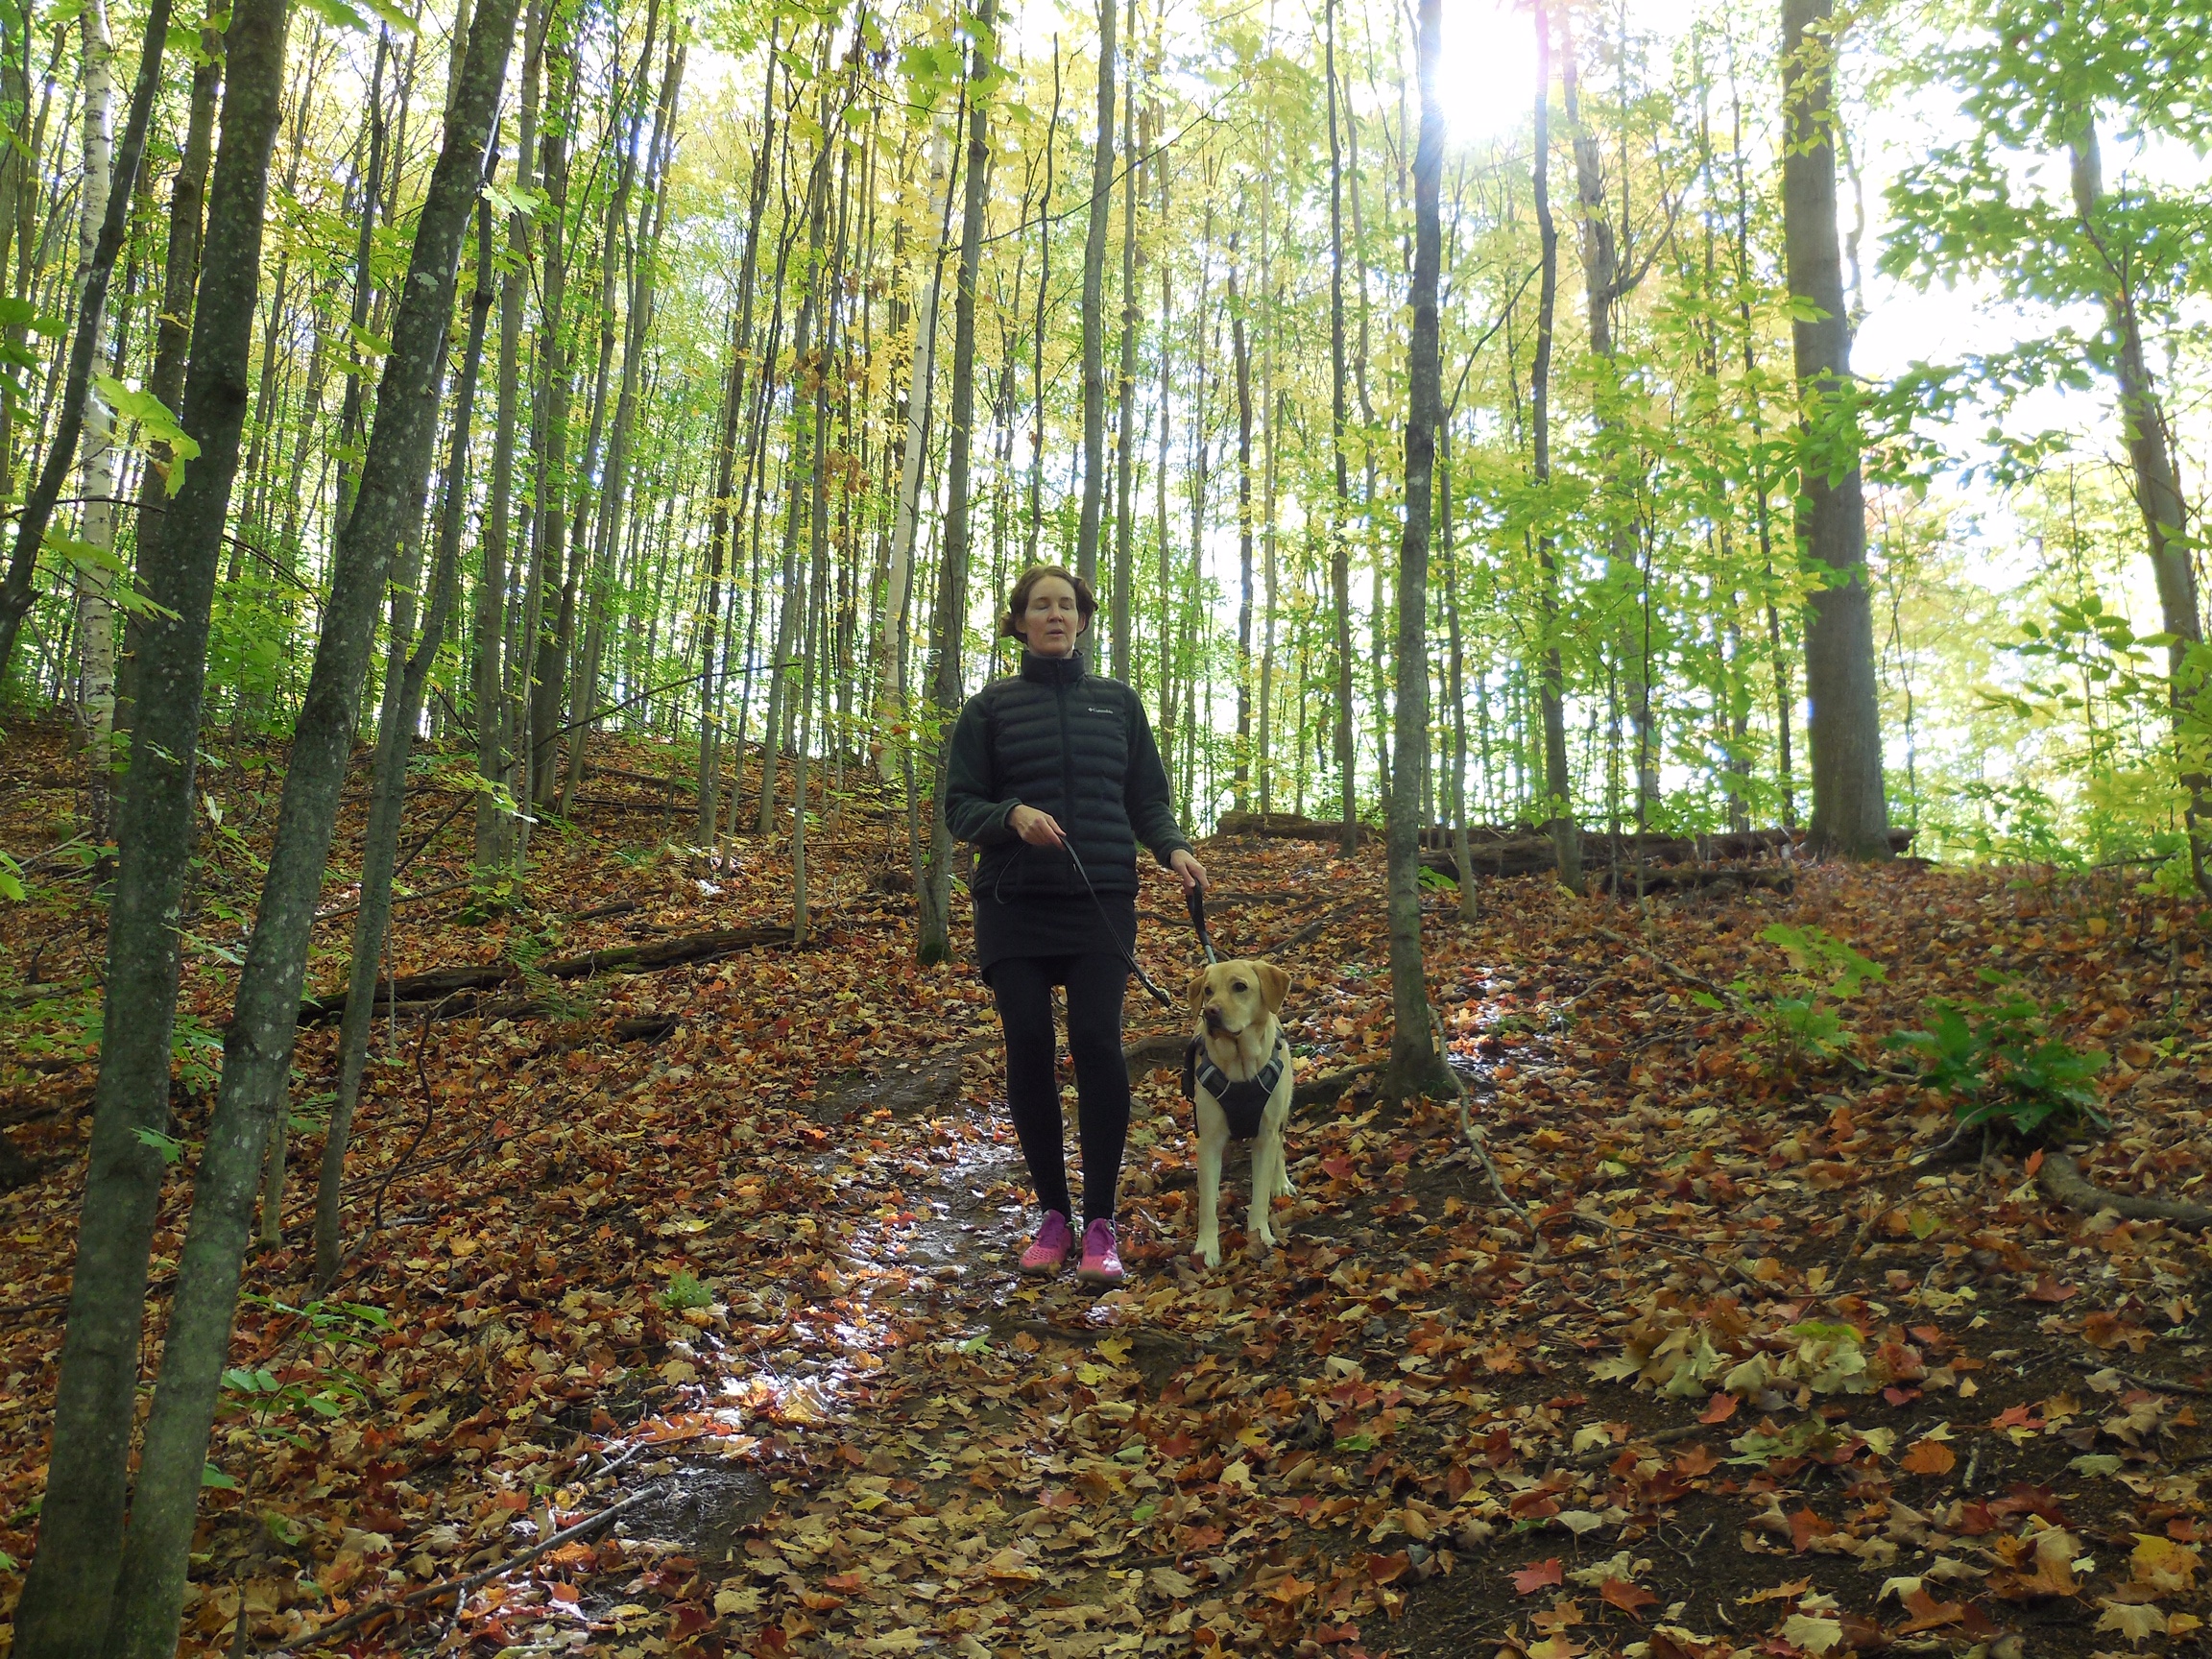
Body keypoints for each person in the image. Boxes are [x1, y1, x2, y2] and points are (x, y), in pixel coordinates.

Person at [943, 565, 1206, 1286]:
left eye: (1066, 605)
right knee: (1027, 1041)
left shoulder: (1118, 704)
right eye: (1040, 605)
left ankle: (1100, 1222)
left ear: (1083, 621)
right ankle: (1052, 1216)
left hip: (1101, 901)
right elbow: (959, 806)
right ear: (1020, 621)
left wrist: (1174, 849)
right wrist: (1011, 816)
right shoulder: (989, 709)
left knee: (1096, 1042)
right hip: (1011, 902)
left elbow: (1147, 797)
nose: (1055, 615)